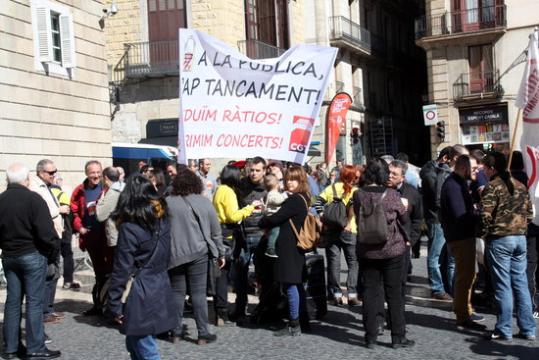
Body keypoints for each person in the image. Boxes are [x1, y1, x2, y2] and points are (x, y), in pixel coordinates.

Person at [107, 175, 176, 359]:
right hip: (159, 283)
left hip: (140, 290)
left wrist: (113, 302)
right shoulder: (162, 220)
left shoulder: (129, 226)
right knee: (134, 342)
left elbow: (122, 268)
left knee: (145, 346)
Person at [0, 163, 61, 359]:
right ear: (26, 180)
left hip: (9, 256)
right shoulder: (34, 199)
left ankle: (11, 348)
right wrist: (52, 251)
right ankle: (36, 348)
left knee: (12, 302)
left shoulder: (1, 200)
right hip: (32, 254)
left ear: (8, 180)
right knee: (34, 302)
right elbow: (46, 233)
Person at [353, 158, 413, 349]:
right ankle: (398, 337)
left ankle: (370, 337)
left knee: (370, 292)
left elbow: (357, 215)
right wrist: (404, 206)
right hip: (392, 250)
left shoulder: (358, 195)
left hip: (367, 250)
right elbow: (404, 219)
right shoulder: (392, 195)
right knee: (394, 294)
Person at [166, 166, 226, 344]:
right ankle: (202, 334)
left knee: (177, 293)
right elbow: (216, 232)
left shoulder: (167, 202)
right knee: (199, 294)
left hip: (175, 253)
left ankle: (175, 332)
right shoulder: (204, 202)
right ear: (196, 184)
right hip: (199, 252)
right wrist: (221, 253)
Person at [481, 152, 536, 340]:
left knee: (503, 286)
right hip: (520, 238)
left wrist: (486, 231)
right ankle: (528, 329)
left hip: (500, 239)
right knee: (521, 284)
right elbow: (530, 214)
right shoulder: (520, 185)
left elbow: (485, 216)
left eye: (485, 168)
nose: (483, 171)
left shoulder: (492, 186)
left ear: (492, 168)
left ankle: (504, 328)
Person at [258, 165, 310, 336]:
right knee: (296, 284)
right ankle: (302, 321)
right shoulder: (302, 197)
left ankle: (294, 325)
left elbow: (278, 218)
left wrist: (262, 220)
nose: (289, 182)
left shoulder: (295, 199)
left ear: (301, 180)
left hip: (289, 247)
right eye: (287, 179)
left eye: (293, 179)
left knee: (290, 284)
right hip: (294, 246)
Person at [440, 155, 484, 330]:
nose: (475, 173)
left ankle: (464, 310)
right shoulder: (453, 185)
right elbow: (461, 215)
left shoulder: (457, 183)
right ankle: (463, 314)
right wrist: (478, 213)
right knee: (465, 276)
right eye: (473, 169)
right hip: (460, 237)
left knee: (468, 275)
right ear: (464, 168)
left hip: (461, 236)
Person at [212, 165, 255, 325]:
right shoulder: (228, 191)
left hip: (218, 233)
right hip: (228, 235)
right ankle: (222, 311)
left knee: (220, 273)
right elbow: (232, 216)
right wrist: (249, 209)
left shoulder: (218, 189)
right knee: (225, 272)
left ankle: (219, 311)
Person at [314, 165, 360, 306]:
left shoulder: (331, 188)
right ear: (351, 177)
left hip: (331, 230)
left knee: (334, 263)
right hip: (350, 230)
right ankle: (352, 294)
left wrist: (323, 216)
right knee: (353, 262)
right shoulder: (355, 191)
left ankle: (336, 294)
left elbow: (317, 202)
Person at [71, 160, 112, 316]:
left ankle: (109, 305)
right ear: (86, 173)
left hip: (108, 237)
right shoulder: (79, 190)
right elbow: (73, 212)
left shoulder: (107, 188)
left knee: (110, 271)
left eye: (98, 172)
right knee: (99, 272)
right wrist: (79, 228)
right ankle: (99, 305)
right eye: (92, 172)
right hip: (91, 238)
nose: (95, 175)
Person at [30, 159, 68, 325]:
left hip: (55, 235)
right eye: (51, 173)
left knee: (54, 272)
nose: (54, 175)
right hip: (46, 238)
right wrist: (58, 209)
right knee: (48, 273)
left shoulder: (47, 186)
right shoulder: (35, 186)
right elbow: (39, 210)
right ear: (41, 172)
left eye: (55, 171)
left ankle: (49, 309)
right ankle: (44, 311)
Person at [420, 146, 457, 300]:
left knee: (446, 256)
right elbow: (438, 199)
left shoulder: (435, 171)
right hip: (437, 219)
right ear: (445, 159)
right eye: (453, 162)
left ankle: (448, 287)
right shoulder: (433, 173)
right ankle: (437, 288)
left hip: (441, 218)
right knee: (435, 255)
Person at [233, 156, 267, 319]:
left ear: (264, 171)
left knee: (263, 274)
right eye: (251, 170)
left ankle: (263, 307)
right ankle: (240, 306)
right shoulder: (241, 185)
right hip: (244, 235)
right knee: (240, 273)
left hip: (262, 236)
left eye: (257, 170)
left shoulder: (269, 185)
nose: (253, 173)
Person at [511, 150, 539, 319]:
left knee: (529, 265)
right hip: (532, 225)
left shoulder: (508, 181)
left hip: (523, 229)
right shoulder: (530, 178)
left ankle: (528, 303)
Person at [387, 160, 423, 281]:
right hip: (383, 243)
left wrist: (411, 241)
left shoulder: (412, 193)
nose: (389, 176)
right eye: (388, 172)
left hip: (403, 243)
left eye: (394, 174)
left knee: (400, 280)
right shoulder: (381, 190)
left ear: (402, 177)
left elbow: (417, 219)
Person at [50, 176, 80, 290]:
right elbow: (71, 212)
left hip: (51, 232)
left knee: (54, 257)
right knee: (67, 255)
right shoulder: (62, 194)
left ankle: (53, 279)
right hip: (64, 231)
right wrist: (75, 229)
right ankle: (68, 280)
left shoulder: (44, 194)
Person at [96, 167, 125, 250]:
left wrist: (101, 199)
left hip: (117, 237)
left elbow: (100, 215)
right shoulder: (125, 187)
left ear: (105, 178)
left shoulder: (113, 192)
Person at [263, 174, 288, 258]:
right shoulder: (272, 194)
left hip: (272, 217)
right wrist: (285, 195)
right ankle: (270, 248)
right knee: (275, 232)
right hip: (273, 217)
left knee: (274, 232)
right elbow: (278, 201)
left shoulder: (272, 193)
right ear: (276, 184)